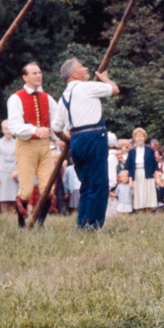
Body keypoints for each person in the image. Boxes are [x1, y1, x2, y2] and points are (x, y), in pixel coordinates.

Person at [52, 58, 119, 229]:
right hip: (94, 136)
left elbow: (56, 127)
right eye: (82, 67)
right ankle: (93, 225)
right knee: (99, 183)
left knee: (87, 184)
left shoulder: (63, 98)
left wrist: (66, 138)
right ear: (74, 74)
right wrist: (105, 78)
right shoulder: (86, 86)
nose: (87, 68)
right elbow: (114, 89)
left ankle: (82, 223)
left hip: (76, 140)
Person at [7, 63, 57, 227]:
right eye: (34, 73)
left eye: (40, 72)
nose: (39, 75)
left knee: (48, 188)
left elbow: (56, 122)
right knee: (26, 189)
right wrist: (35, 130)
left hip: (44, 146)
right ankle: (21, 224)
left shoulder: (47, 98)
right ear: (25, 77)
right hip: (26, 145)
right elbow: (14, 127)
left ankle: (40, 223)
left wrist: (61, 136)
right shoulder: (16, 98)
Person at [125, 128, 159, 212]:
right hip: (136, 174)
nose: (140, 138)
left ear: (145, 138)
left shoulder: (150, 150)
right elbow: (129, 167)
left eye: (141, 136)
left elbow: (155, 165)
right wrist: (130, 180)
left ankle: (148, 212)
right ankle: (140, 213)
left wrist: (157, 177)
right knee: (139, 193)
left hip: (147, 174)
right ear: (134, 138)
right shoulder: (131, 152)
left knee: (148, 193)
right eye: (138, 136)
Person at [0, 121, 18, 215]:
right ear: (2, 130)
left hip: (14, 173)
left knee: (14, 198)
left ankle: (13, 217)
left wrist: (18, 172)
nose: (8, 131)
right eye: (6, 129)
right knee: (3, 198)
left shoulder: (17, 142)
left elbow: (20, 158)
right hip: (2, 172)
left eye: (10, 129)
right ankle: (5, 217)